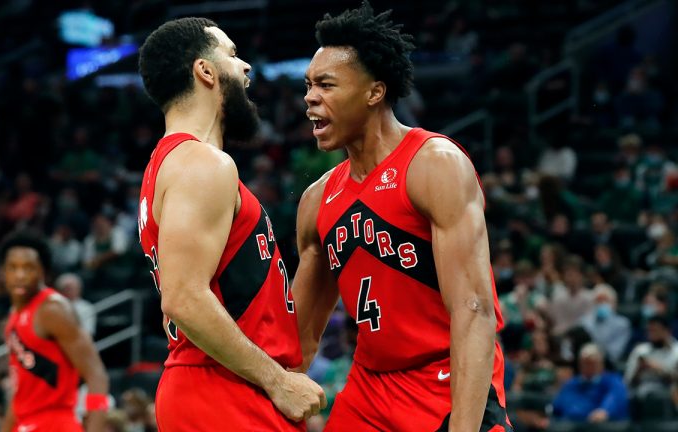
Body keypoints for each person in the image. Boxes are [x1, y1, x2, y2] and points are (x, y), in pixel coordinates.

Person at [293, 2, 511, 430]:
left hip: (444, 377)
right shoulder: (316, 200)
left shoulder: (435, 165)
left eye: (326, 85)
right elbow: (298, 341)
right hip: (369, 388)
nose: (310, 97)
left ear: (374, 92)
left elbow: (474, 310)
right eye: (308, 85)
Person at [136, 17, 325, 431]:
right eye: (233, 55)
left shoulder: (167, 165)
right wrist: (278, 381)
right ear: (205, 71)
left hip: (218, 384)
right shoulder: (202, 163)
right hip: (224, 389)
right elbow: (184, 298)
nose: (246, 68)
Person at [0, 232, 109, 432]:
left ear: (44, 272)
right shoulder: (14, 316)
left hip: (54, 422)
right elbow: (20, 392)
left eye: (28, 267)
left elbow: (96, 375)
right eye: (13, 268)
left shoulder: (53, 309)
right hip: (25, 423)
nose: (20, 275)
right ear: (3, 272)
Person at [551, 343, 629, 423]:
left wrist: (604, 411)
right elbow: (557, 406)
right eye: (585, 363)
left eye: (592, 363)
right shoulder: (571, 384)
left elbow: (615, 398)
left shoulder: (613, 381)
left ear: (601, 364)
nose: (588, 366)